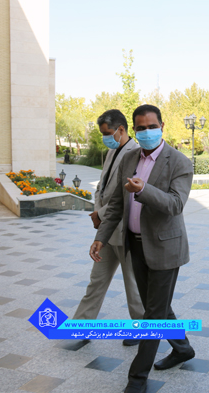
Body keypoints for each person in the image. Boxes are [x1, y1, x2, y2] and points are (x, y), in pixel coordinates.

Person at [89, 104, 195, 393]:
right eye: (141, 128)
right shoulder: (129, 158)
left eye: (152, 127)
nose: (147, 132)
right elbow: (116, 203)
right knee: (156, 306)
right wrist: (101, 236)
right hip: (134, 246)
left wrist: (143, 190)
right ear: (134, 130)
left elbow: (175, 204)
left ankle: (137, 378)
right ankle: (183, 348)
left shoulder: (180, 162)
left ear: (162, 126)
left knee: (153, 315)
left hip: (165, 249)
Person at [74, 109, 143, 347]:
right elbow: (101, 187)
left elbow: (125, 195)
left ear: (121, 129)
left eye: (107, 133)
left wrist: (100, 214)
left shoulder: (136, 154)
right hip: (106, 231)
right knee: (96, 280)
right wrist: (97, 212)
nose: (105, 137)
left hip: (125, 230)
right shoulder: (112, 151)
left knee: (133, 285)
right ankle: (81, 326)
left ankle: (142, 330)